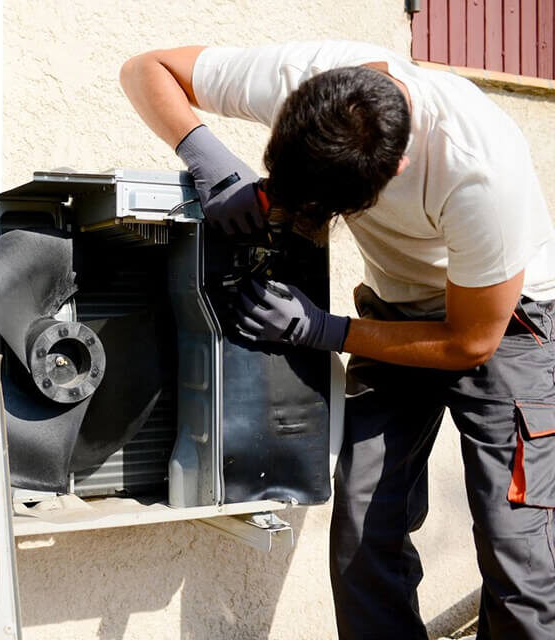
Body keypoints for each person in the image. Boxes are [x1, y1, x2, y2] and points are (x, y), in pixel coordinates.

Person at [120, 41, 555, 640]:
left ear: (394, 169)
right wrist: (208, 157)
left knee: (518, 555)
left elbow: (470, 342)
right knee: (362, 531)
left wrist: (328, 332)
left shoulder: (480, 170)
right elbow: (148, 69)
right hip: (396, 311)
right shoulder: (305, 78)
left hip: (504, 325)